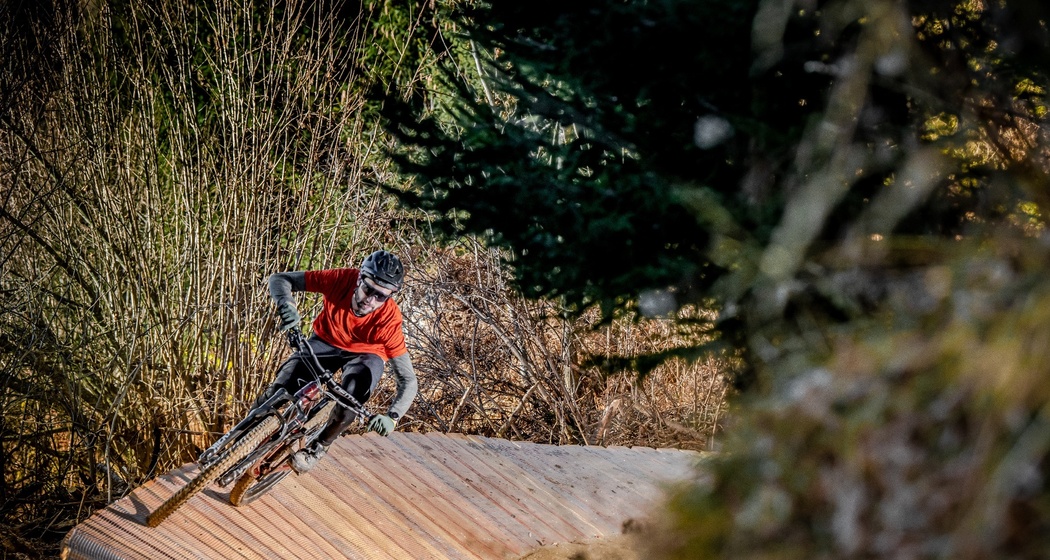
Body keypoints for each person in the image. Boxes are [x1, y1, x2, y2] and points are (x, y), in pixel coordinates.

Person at [256, 250, 418, 473]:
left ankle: (318, 448)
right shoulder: (340, 279)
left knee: (352, 394)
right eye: (368, 289)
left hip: (366, 355)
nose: (370, 300)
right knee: (282, 385)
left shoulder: (389, 320)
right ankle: (242, 434)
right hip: (326, 340)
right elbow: (280, 279)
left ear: (389, 297)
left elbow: (408, 380)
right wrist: (288, 305)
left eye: (380, 296)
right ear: (359, 278)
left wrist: (393, 417)